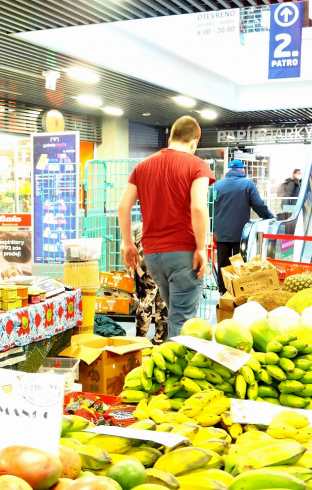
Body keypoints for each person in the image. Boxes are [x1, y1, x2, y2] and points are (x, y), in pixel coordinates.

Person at [117, 115, 215, 338]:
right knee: (183, 320)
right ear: (195, 141)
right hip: (184, 254)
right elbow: (199, 208)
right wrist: (201, 248)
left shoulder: (142, 166)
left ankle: (168, 362)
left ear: (171, 137)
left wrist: (128, 244)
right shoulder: (197, 165)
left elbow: (123, 207)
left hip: (153, 256)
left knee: (174, 314)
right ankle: (177, 370)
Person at [212, 160, 273, 293]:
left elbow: (210, 208)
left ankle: (223, 291)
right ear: (242, 170)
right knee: (240, 262)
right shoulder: (248, 184)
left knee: (223, 263)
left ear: (229, 170)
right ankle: (240, 289)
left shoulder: (216, 185)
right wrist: (269, 216)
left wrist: (212, 229)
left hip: (222, 232)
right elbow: (258, 204)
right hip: (241, 232)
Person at [132, 223, 168, 344]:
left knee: (146, 299)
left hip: (145, 264)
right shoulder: (166, 224)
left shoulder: (137, 227)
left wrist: (135, 269)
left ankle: (140, 340)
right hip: (164, 262)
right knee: (162, 300)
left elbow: (126, 247)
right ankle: (160, 339)